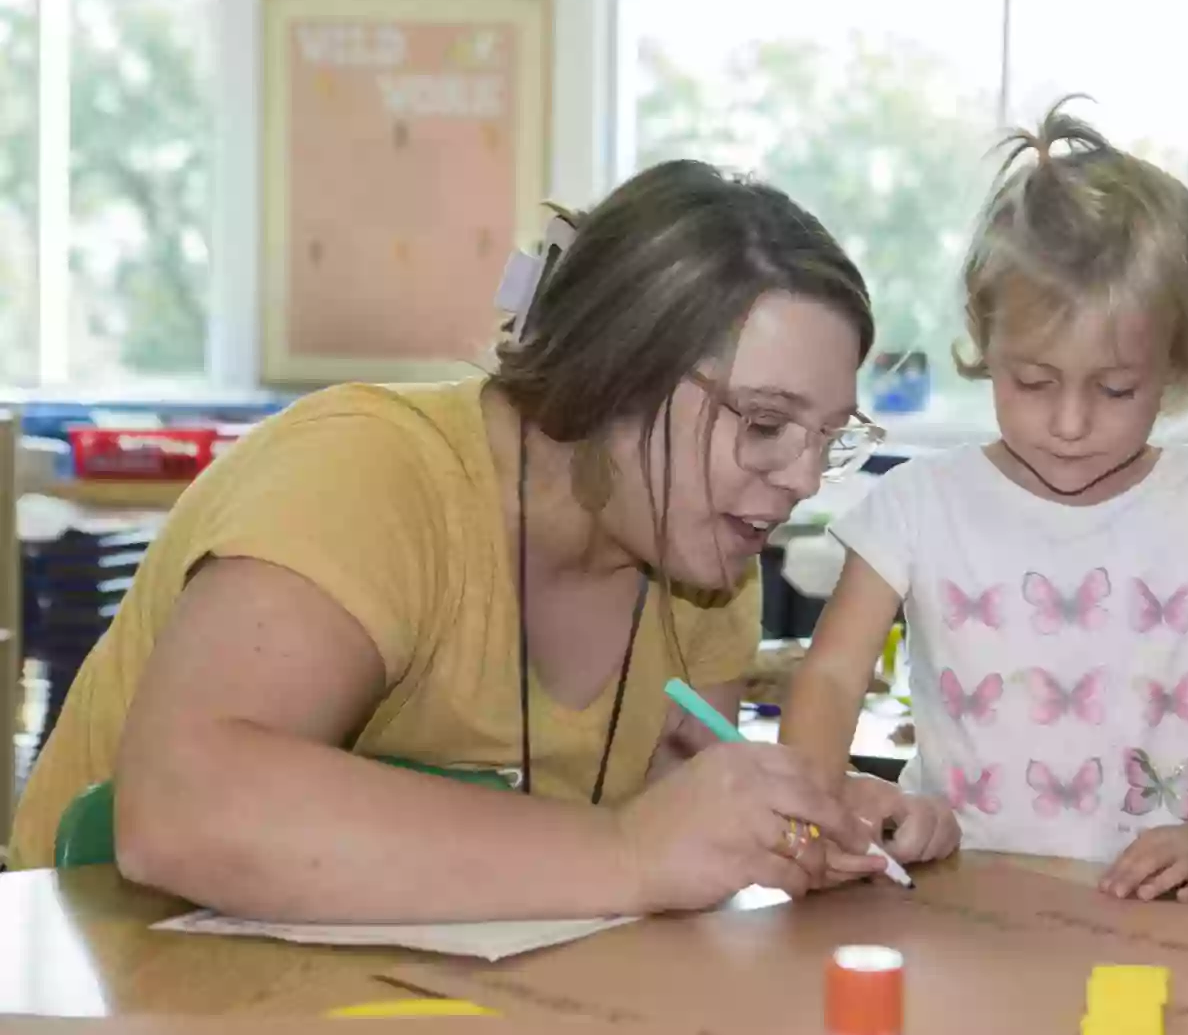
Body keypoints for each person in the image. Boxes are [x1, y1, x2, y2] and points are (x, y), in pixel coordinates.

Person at [9, 160, 959, 919]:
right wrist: (630, 850)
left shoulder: (704, 563)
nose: (798, 479)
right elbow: (180, 811)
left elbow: (666, 849)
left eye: (829, 439)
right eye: (763, 425)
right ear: (614, 376)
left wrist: (788, 828)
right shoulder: (364, 472)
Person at [780, 97, 1188, 903]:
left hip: (1150, 903)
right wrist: (823, 808)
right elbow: (830, 679)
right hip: (957, 894)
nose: (1069, 423)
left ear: (1177, 365)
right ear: (985, 347)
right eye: (1032, 381)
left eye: (1116, 388)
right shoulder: (918, 504)